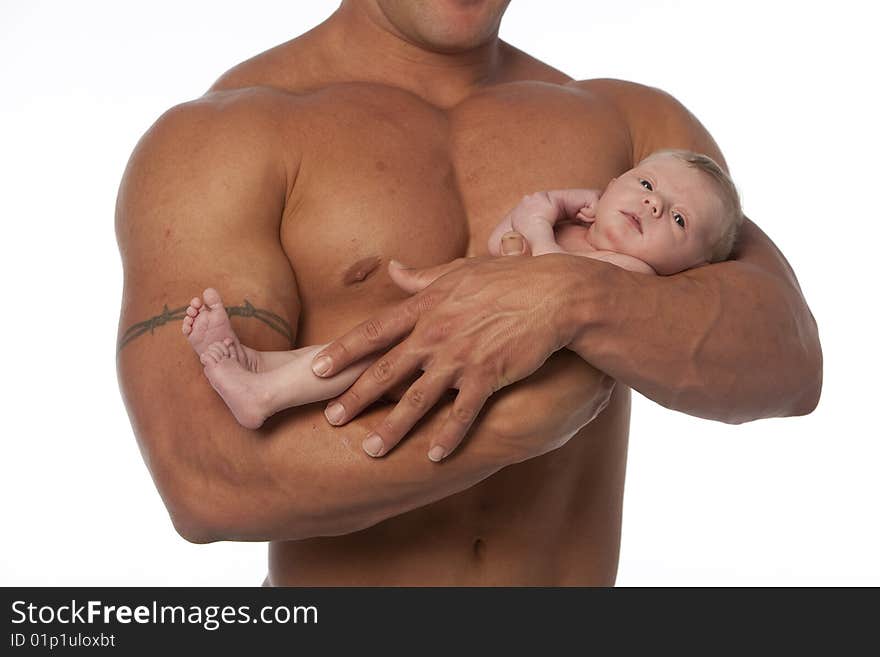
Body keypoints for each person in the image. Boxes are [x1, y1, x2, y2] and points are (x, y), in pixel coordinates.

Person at [115, 0, 821, 585]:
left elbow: (788, 361)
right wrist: (524, 418)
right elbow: (206, 478)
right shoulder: (220, 135)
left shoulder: (639, 138)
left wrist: (568, 299)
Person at [183, 149, 744, 433]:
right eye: (645, 185)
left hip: (480, 364)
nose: (652, 204)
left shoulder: (633, 274)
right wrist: (541, 208)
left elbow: (555, 286)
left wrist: (537, 225)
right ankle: (265, 363)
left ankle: (264, 398)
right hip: (455, 322)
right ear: (613, 185)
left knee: (379, 356)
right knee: (369, 342)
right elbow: (504, 248)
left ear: (690, 266)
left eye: (677, 221)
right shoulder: (580, 230)